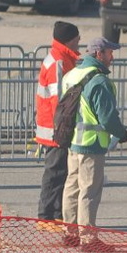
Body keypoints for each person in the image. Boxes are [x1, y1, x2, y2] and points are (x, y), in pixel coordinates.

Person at [61, 37, 127, 252]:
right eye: (110, 53)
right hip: (91, 145)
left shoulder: (71, 75)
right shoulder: (99, 81)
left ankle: (70, 233)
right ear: (99, 54)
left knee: (72, 187)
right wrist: (122, 133)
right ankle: (88, 239)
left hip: (73, 141)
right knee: (89, 191)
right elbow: (107, 118)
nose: (112, 57)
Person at [34, 21, 81, 226]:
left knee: (59, 172)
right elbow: (60, 99)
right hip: (55, 128)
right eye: (77, 40)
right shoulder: (59, 62)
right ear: (70, 40)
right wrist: (63, 127)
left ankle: (54, 214)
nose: (79, 43)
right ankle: (46, 216)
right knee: (55, 173)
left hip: (55, 126)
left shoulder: (60, 58)